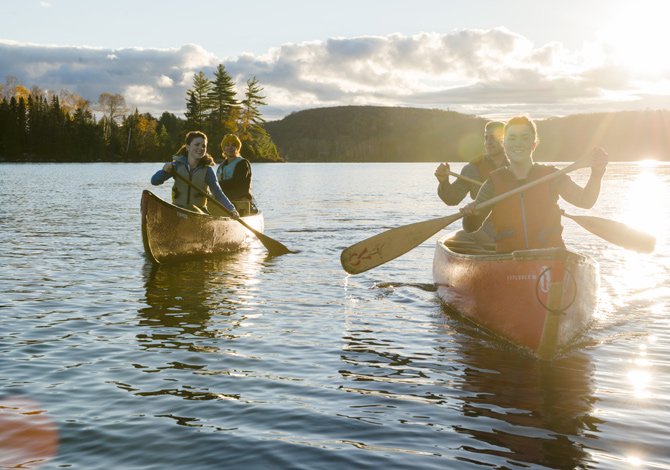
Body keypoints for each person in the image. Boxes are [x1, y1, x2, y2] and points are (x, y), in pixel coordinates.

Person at [460, 115, 608, 253]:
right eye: (512, 138)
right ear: (504, 144)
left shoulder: (552, 176)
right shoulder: (493, 182)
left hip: (550, 261)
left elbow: (585, 201)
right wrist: (470, 214)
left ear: (534, 144)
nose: (518, 143)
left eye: (525, 138)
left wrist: (596, 174)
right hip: (510, 263)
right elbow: (470, 227)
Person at [435, 121, 507, 234]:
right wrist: (444, 182)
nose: (488, 142)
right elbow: (452, 199)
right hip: (484, 228)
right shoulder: (472, 168)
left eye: (493, 137)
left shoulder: (517, 166)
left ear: (506, 139)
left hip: (514, 224)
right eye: (486, 138)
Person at [150, 131, 240, 218]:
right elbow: (154, 181)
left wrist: (232, 209)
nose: (201, 148)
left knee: (196, 213)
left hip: (199, 213)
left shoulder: (207, 171)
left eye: (203, 146)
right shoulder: (176, 166)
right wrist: (164, 171)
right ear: (188, 147)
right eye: (197, 145)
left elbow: (218, 194)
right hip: (178, 211)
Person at [216, 134, 256, 215]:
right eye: (227, 145)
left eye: (233, 145)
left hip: (240, 201)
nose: (230, 148)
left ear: (237, 148)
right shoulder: (221, 166)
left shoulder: (242, 163)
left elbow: (237, 183)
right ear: (223, 148)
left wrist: (216, 185)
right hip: (224, 201)